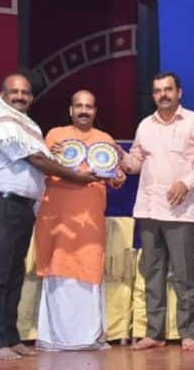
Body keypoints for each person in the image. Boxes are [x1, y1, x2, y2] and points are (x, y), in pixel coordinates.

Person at [0, 73, 97, 360]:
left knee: (13, 274)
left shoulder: (27, 125)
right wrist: (76, 177)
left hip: (20, 207)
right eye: (14, 92)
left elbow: (44, 155)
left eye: (26, 92)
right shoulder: (3, 124)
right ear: (3, 94)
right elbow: (38, 161)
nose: (20, 96)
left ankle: (9, 335)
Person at [121, 72, 194, 351]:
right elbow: (137, 162)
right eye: (157, 91)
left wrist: (186, 183)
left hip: (180, 211)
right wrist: (120, 159)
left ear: (180, 92)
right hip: (149, 209)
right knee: (152, 272)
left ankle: (188, 332)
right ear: (152, 95)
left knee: (184, 273)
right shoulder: (145, 126)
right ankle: (155, 333)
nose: (163, 95)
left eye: (168, 89)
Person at [34, 90, 126, 351]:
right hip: (58, 220)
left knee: (87, 272)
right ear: (70, 110)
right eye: (79, 106)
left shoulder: (104, 139)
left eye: (89, 107)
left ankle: (87, 337)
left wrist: (118, 175)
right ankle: (55, 338)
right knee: (58, 272)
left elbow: (114, 178)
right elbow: (42, 166)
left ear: (95, 111)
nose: (84, 111)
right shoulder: (55, 136)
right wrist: (50, 154)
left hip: (89, 221)